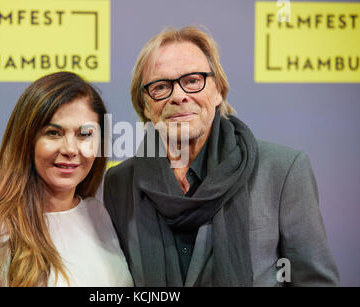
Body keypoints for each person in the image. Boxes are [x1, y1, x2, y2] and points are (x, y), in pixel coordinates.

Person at [103, 26, 339, 286]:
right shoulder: (119, 183)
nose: (179, 96)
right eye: (160, 86)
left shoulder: (282, 171)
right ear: (146, 106)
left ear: (218, 91)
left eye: (193, 80)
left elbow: (314, 281)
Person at [0, 71, 133, 287]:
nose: (70, 149)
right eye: (54, 133)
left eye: (84, 134)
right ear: (27, 140)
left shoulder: (97, 214)